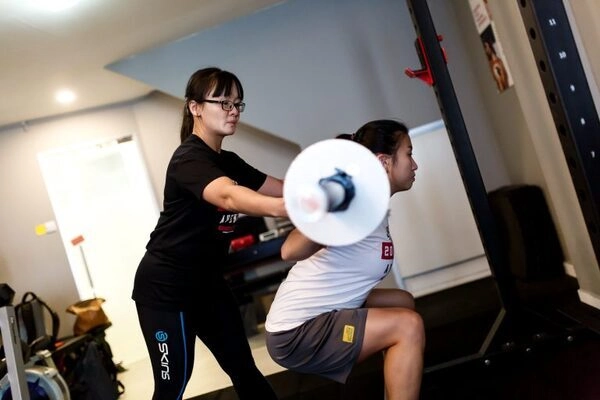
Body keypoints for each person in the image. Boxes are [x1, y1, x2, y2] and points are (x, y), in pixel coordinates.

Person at [132, 67, 286, 400]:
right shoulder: (189, 159)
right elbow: (229, 195)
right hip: (165, 288)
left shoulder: (227, 161)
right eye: (223, 102)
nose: (233, 111)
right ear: (195, 107)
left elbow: (282, 188)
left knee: (244, 369)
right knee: (173, 385)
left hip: (208, 285)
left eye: (238, 104)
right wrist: (284, 208)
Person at [265, 119, 425, 400]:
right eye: (409, 154)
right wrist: (327, 208)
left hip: (326, 313)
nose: (414, 165)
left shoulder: (374, 205)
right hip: (297, 332)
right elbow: (290, 251)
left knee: (403, 303)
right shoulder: (354, 204)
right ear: (384, 161)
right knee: (407, 325)